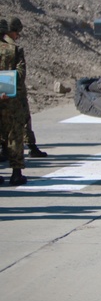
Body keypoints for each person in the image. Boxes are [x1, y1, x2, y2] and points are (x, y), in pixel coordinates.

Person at [4, 17, 46, 158]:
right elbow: (20, 74)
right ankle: (22, 156)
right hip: (14, 93)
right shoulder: (14, 49)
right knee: (20, 121)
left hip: (9, 91)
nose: (18, 36)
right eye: (17, 33)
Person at [0, 18, 28, 185]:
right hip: (11, 99)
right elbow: (20, 73)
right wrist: (5, 87)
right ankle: (16, 173)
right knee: (15, 135)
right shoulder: (15, 49)